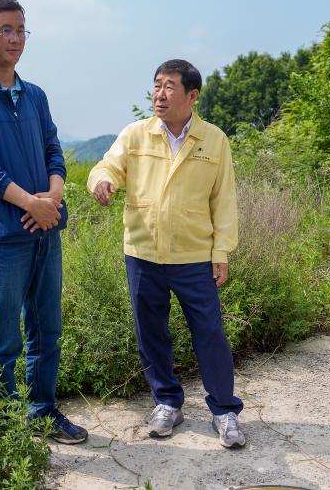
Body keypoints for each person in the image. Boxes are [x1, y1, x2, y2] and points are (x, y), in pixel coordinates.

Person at [0, 0, 87, 444]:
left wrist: (53, 196)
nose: (15, 38)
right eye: (5, 29)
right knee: (4, 338)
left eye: (21, 29)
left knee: (47, 330)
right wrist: (30, 203)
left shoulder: (35, 96)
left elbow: (53, 149)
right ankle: (5, 428)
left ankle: (43, 411)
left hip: (46, 231)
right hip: (3, 238)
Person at [87, 59, 245, 449]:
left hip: (194, 255)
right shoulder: (136, 134)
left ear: (192, 95)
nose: (159, 94)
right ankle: (167, 402)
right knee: (151, 332)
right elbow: (108, 166)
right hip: (143, 252)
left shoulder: (214, 140)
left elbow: (223, 200)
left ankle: (224, 410)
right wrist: (102, 181)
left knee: (209, 332)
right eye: (157, 85)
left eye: (169, 86)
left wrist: (221, 250)